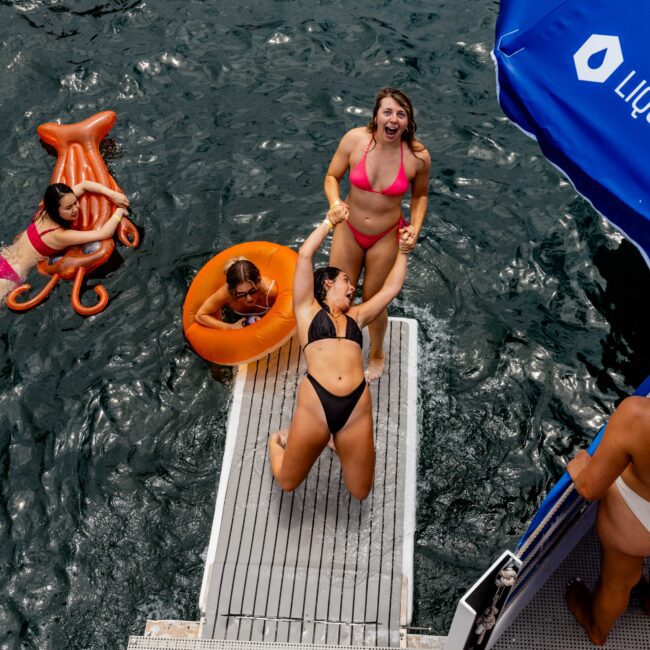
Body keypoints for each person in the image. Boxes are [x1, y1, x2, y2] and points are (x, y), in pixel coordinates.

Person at [268, 208, 412, 500]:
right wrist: (329, 223)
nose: (353, 288)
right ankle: (278, 438)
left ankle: (334, 437)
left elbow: (391, 288)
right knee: (286, 481)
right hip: (317, 401)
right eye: (347, 281)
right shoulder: (307, 311)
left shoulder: (357, 316)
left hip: (356, 405)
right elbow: (305, 255)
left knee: (360, 492)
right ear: (328, 283)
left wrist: (405, 251)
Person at [324, 87, 431, 381]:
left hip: (385, 236)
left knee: (374, 298)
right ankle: (340, 348)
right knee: (337, 296)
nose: (393, 119)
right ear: (376, 116)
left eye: (401, 114)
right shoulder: (355, 140)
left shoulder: (417, 157)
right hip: (349, 229)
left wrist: (415, 228)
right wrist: (334, 204)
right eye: (388, 112)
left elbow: (420, 196)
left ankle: (377, 353)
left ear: (407, 122)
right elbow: (332, 176)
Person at [566, 395, 650, 645]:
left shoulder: (638, 414)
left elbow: (590, 488)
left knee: (618, 582)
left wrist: (582, 470)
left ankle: (596, 630)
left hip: (639, 522)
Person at [0, 181, 129, 301]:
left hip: (5, 256)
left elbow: (84, 185)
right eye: (68, 207)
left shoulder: (45, 209)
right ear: (55, 210)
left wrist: (112, 194)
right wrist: (119, 211)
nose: (75, 208)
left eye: (75, 202)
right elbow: (104, 233)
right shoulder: (59, 235)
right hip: (11, 276)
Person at [194, 258, 277, 329]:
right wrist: (229, 327)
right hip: (234, 318)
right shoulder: (226, 294)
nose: (249, 298)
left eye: (253, 291)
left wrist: (265, 321)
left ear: (258, 283)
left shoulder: (270, 292)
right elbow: (200, 315)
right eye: (241, 294)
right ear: (232, 290)